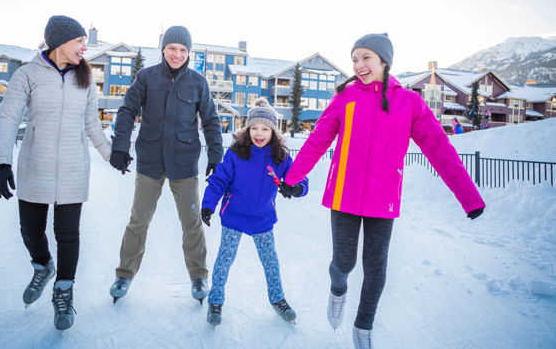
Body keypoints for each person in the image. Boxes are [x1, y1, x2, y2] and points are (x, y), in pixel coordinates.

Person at [279, 33, 485, 349]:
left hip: (382, 200)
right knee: (344, 263)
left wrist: (468, 197)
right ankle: (338, 289)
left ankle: (363, 328)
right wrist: (293, 177)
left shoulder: (409, 103)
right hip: (343, 196)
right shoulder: (345, 99)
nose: (359, 65)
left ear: (384, 61)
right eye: (355, 59)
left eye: (366, 58)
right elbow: (317, 141)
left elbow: (440, 150)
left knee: (376, 269)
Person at [0, 15, 111, 331]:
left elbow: (92, 127)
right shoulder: (27, 75)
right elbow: (8, 117)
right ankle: (43, 266)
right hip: (35, 166)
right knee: (30, 230)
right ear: (59, 41)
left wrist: (115, 156)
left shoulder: (85, 80)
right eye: (79, 41)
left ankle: (64, 291)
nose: (84, 47)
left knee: (68, 234)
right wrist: (2, 161)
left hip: (73, 170)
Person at [108, 26, 223, 304]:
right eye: (172, 48)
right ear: (163, 49)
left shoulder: (197, 83)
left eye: (183, 50)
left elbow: (210, 120)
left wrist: (216, 156)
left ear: (189, 53)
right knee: (139, 220)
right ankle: (124, 274)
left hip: (183, 163)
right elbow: (127, 111)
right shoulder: (146, 78)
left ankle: (198, 277)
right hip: (150, 161)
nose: (177, 54)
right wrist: (120, 146)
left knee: (191, 223)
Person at [201, 98, 308, 326]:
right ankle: (216, 300)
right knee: (224, 260)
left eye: (265, 128)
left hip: (262, 219)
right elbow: (219, 180)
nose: (259, 133)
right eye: (254, 128)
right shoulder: (235, 154)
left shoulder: (280, 157)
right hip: (235, 217)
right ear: (247, 129)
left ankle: (278, 299)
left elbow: (299, 178)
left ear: (273, 131)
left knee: (270, 262)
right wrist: (208, 204)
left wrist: (297, 187)